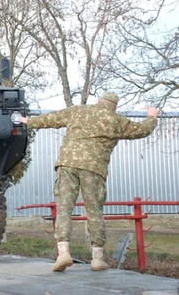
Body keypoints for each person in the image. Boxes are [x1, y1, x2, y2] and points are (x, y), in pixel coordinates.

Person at [19, 92, 158, 272]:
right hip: (94, 169)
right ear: (114, 107)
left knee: (64, 209)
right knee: (94, 211)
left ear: (99, 102)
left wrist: (28, 121)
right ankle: (97, 258)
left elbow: (51, 118)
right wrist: (152, 117)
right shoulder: (117, 120)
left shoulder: (78, 111)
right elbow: (142, 130)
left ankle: (63, 253)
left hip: (67, 164)